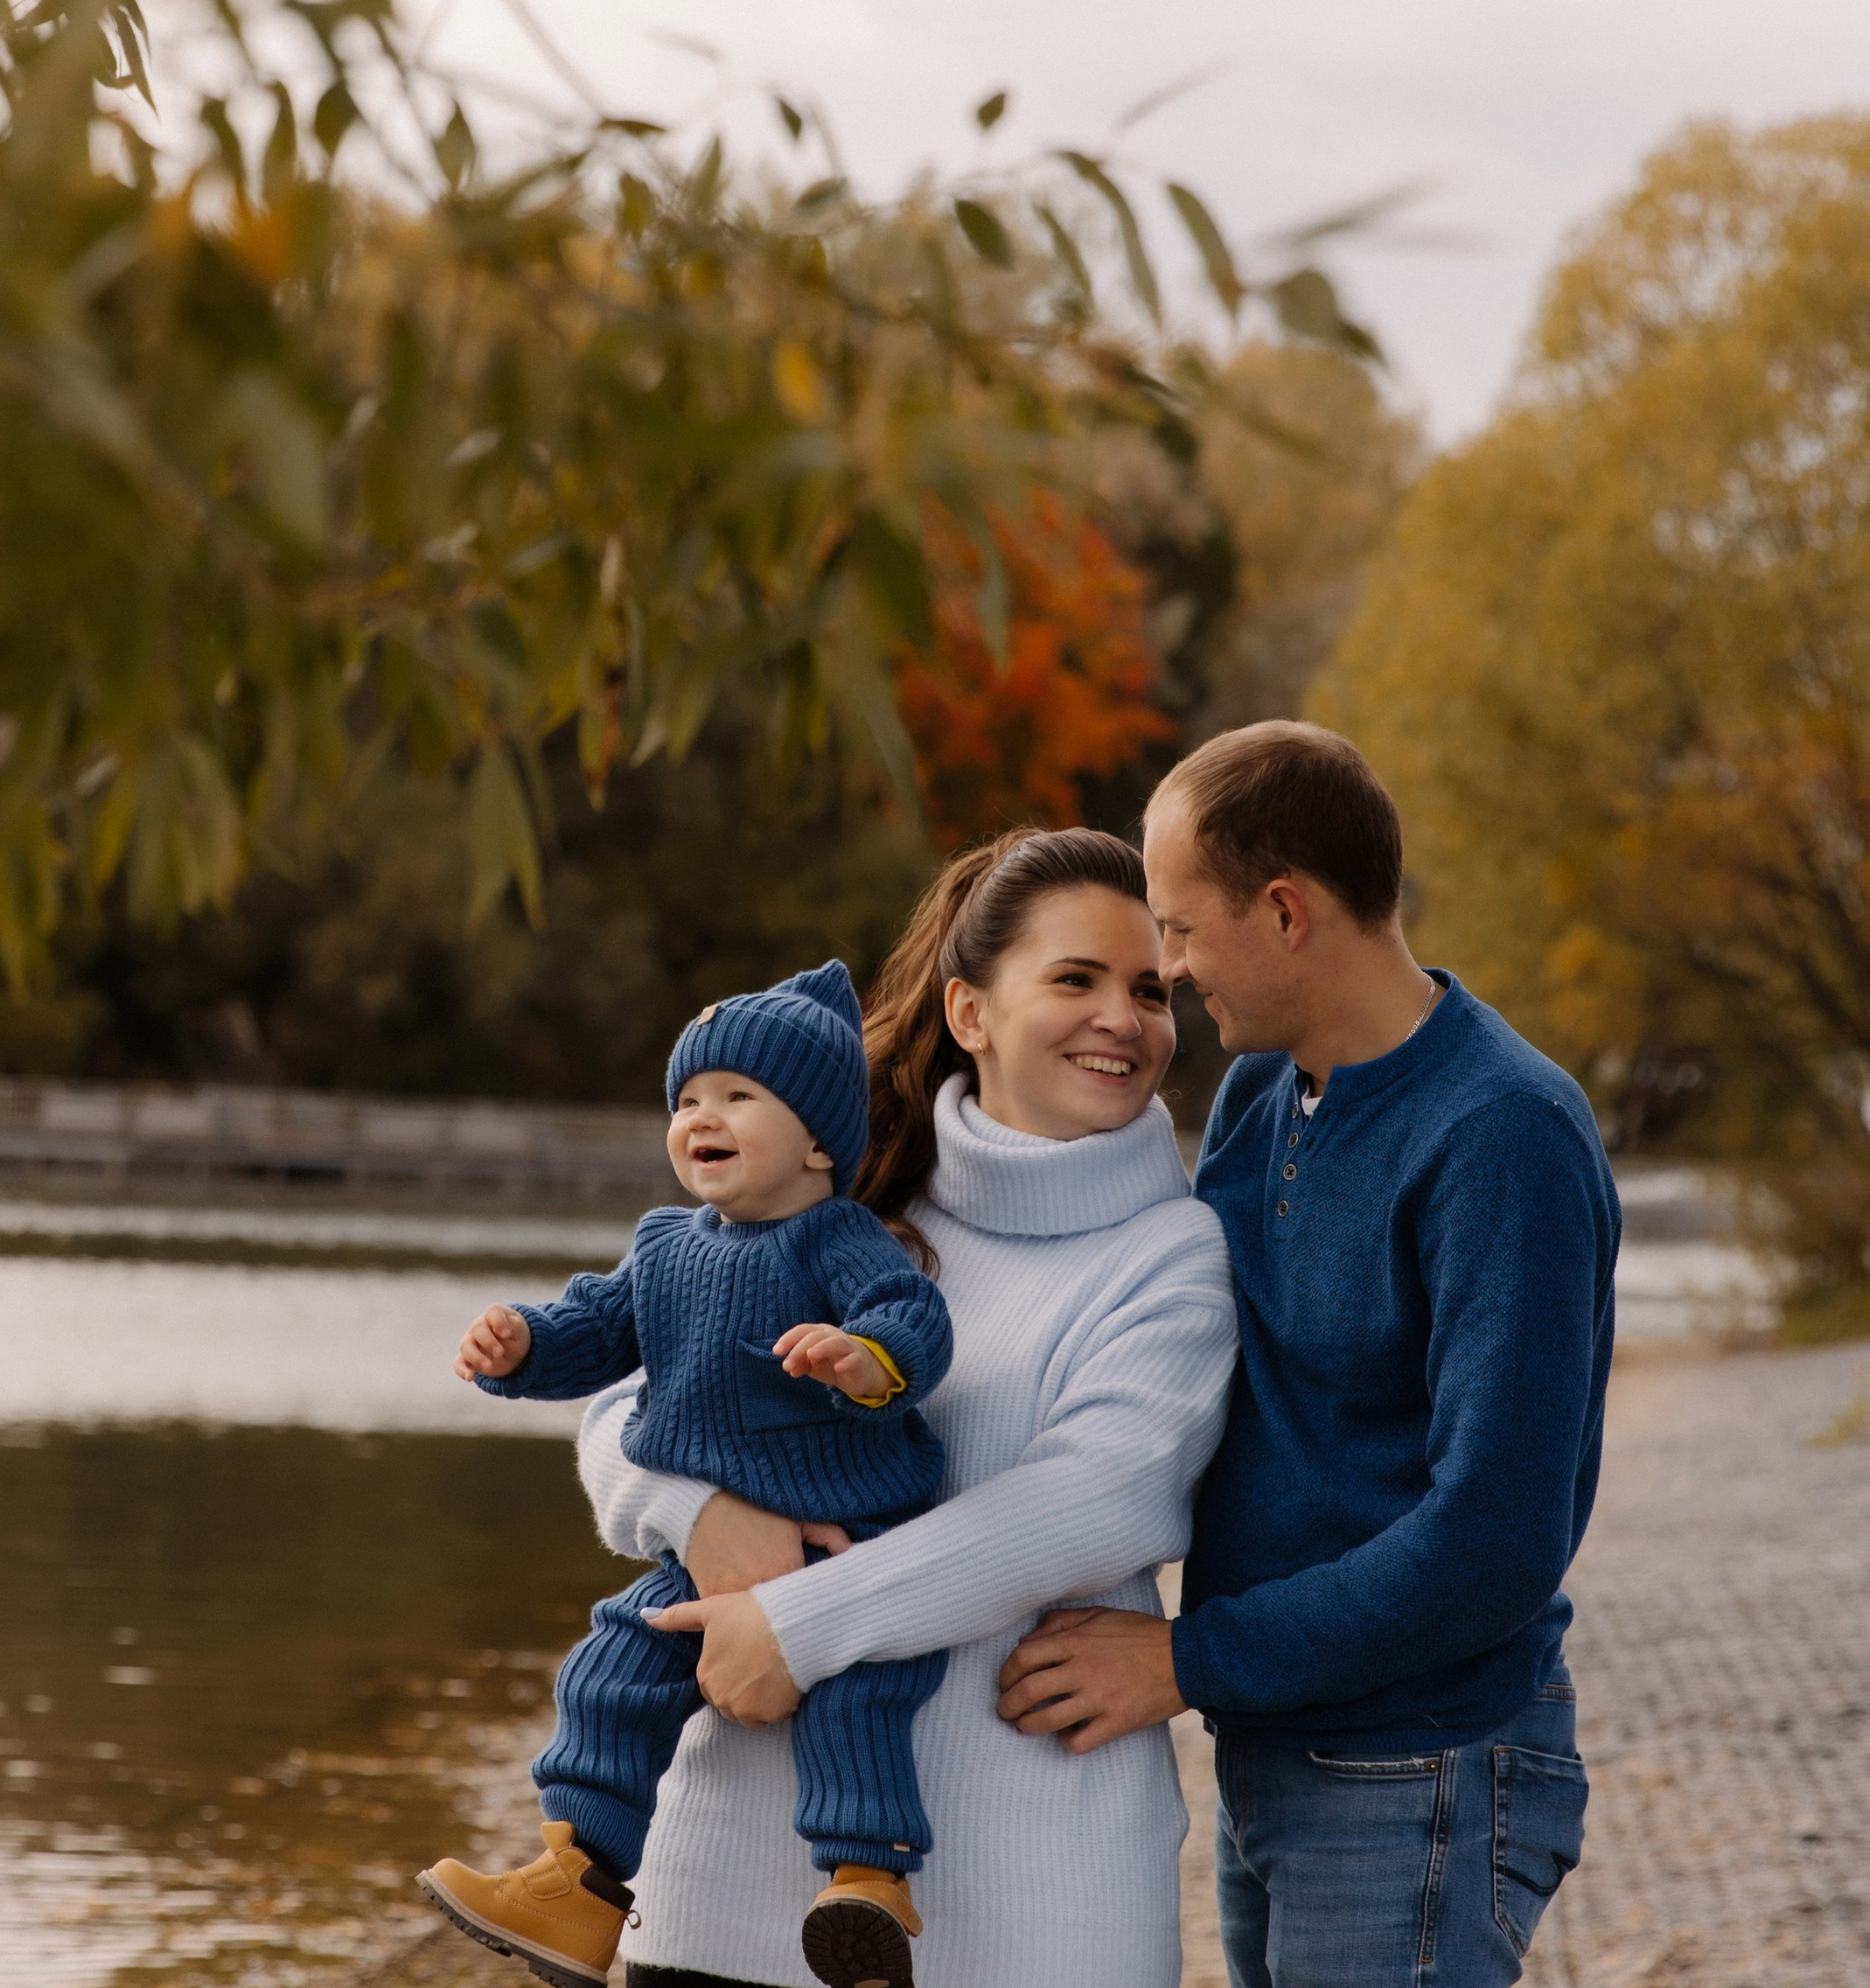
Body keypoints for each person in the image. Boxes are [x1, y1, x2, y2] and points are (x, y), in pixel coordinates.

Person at [994, 722, 1621, 1988]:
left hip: (1421, 1769)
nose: (1163, 970)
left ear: (1284, 912)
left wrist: (1183, 1659)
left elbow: (1493, 1541)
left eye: (1176, 928)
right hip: (1275, 1747)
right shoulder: (1263, 1095)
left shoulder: (1504, 1137)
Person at [577, 827, 1239, 1988]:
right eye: (1075, 978)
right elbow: (619, 1409)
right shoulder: (837, 1199)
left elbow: (1086, 1503)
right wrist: (695, 1517)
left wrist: (799, 1623)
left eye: (1148, 988)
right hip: (725, 1883)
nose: (1125, 1019)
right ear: (971, 1013)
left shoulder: (1173, 1255)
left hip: (1034, 1916)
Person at [420, 961, 955, 1988]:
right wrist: (521, 1343)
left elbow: (910, 1312)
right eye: (688, 1099)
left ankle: (866, 1881)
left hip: (850, 1539)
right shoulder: (663, 1246)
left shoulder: (836, 1235)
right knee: (610, 1672)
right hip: (704, 1554)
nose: (701, 1115)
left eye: (737, 1097)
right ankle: (576, 1881)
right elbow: (594, 1330)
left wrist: (865, 1358)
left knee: (859, 1702)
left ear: (816, 1142)